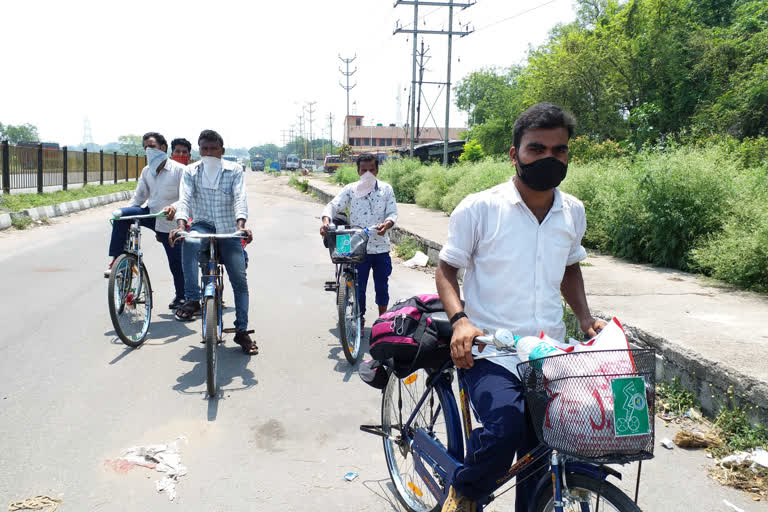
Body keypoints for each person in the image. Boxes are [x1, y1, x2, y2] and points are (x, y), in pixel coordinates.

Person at [435, 102, 607, 512]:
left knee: (550, 446)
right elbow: (445, 271)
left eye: (559, 150)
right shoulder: (480, 208)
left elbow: (569, 269)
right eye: (537, 149)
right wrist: (460, 321)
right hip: (491, 349)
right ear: (515, 154)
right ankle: (465, 489)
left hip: (550, 351)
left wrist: (585, 318)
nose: (549, 158)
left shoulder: (573, 211)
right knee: (506, 427)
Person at [169, 130, 257, 355]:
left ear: (222, 151)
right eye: (204, 149)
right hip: (203, 224)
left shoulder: (234, 170)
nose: (208, 153)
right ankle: (192, 299)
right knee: (188, 242)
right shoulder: (191, 171)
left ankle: (241, 330)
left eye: (213, 149)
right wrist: (180, 227)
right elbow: (185, 198)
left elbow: (240, 197)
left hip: (229, 228)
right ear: (199, 150)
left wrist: (241, 227)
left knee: (239, 279)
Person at [105, 132, 186, 310]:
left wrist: (173, 207)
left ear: (163, 148)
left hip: (169, 221)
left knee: (176, 262)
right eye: (146, 147)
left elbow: (187, 198)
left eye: (152, 146)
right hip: (150, 213)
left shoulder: (179, 170)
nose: (148, 150)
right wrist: (126, 213)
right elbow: (139, 197)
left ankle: (182, 297)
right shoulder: (146, 170)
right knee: (122, 215)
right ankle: (117, 259)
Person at [320, 153, 398, 332]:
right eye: (364, 170)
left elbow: (392, 213)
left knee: (382, 287)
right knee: (358, 287)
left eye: (371, 169)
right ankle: (359, 318)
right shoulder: (350, 189)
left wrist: (387, 224)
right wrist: (326, 221)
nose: (368, 174)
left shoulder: (386, 189)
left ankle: (382, 321)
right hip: (357, 247)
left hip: (381, 247)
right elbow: (333, 205)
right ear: (358, 171)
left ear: (377, 170)